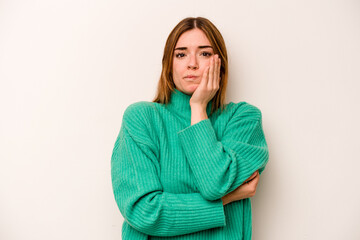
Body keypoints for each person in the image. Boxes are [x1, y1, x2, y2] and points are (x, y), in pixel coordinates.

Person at [111, 16, 269, 240]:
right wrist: (225, 199)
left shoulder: (243, 119)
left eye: (204, 53)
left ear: (220, 63)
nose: (192, 63)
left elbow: (215, 183)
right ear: (169, 64)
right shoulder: (142, 118)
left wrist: (198, 107)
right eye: (181, 54)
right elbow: (144, 212)